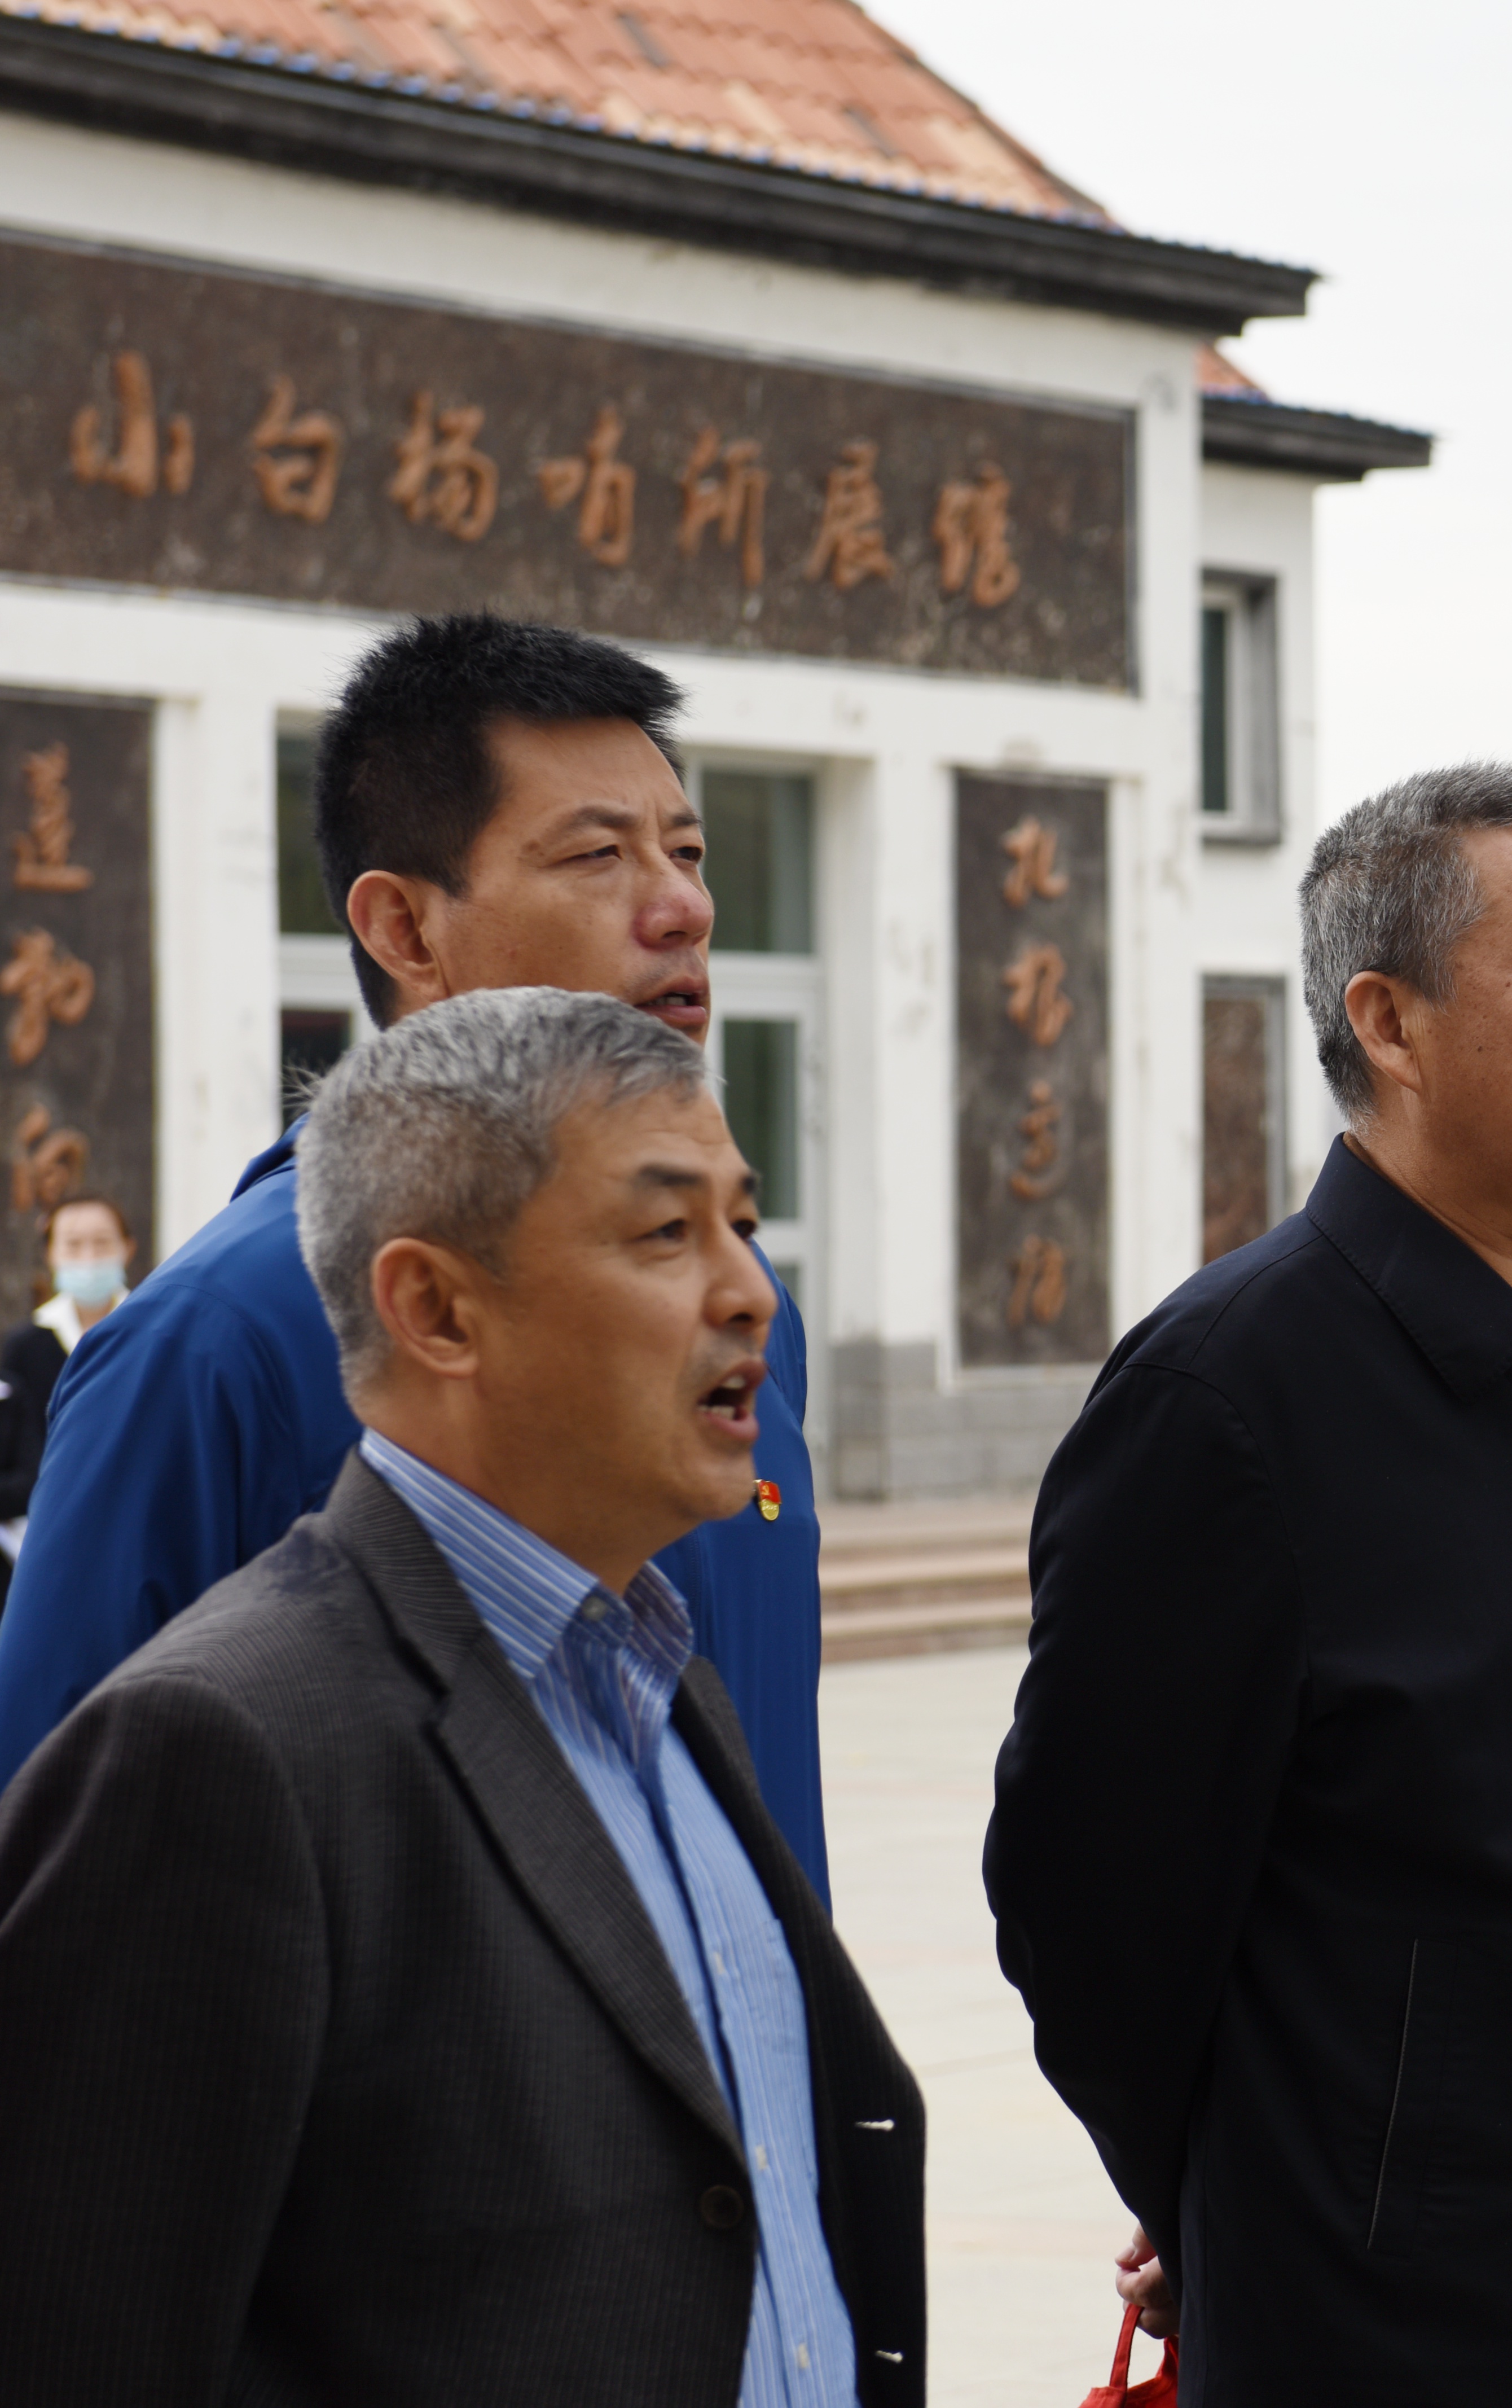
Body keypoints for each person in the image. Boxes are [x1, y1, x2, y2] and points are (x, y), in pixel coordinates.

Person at [984, 762, 1512, 2404]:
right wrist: (1281, 2193)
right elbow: (1091, 1919)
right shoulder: (1228, 1396)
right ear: (1391, 1022)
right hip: (1403, 2333)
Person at [0, 988, 922, 2400]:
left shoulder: (669, 1689)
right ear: (434, 1308)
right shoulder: (220, 1754)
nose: (748, 1291)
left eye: (743, 1222)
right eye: (665, 1233)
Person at [0, 615, 831, 1888]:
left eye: (688, 850)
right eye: (598, 855)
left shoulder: (745, 1300)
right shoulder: (224, 1342)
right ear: (403, 929)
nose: (685, 907)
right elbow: (62, 1869)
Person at [0, 1194, 135, 1602]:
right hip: (40, 1546)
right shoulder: (23, 1347)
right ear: (51, 1254)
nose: (88, 1258)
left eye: (102, 1242)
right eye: (73, 1245)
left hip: (132, 1534)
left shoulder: (151, 1335)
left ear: (127, 1248)